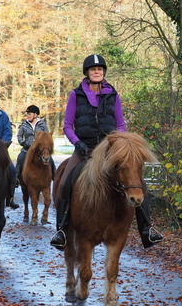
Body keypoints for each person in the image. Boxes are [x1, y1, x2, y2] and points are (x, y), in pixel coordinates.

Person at [49, 54, 164, 250]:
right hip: (84, 148)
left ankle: (147, 230)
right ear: (87, 72)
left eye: (100, 70)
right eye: (93, 70)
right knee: (66, 180)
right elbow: (68, 126)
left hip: (110, 150)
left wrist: (119, 145)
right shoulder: (75, 95)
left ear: (104, 73)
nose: (97, 72)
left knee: (138, 182)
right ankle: (61, 230)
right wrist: (77, 143)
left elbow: (120, 124)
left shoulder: (113, 95)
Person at [16, 105, 56, 184]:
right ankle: (16, 178)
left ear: (35, 115)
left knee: (50, 160)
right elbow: (19, 135)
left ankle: (55, 176)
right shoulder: (24, 125)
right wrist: (23, 143)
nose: (28, 116)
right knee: (20, 158)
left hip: (39, 150)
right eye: (27, 114)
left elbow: (47, 135)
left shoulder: (42, 124)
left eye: (29, 114)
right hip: (27, 149)